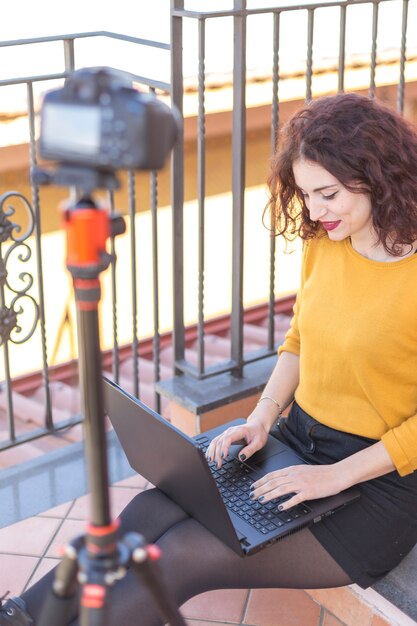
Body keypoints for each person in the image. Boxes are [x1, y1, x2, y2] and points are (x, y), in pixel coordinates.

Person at [2, 91, 417, 626]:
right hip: (297, 441)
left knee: (179, 556)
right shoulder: (330, 241)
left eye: (328, 193)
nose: (314, 212)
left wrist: (334, 477)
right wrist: (262, 417)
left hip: (374, 483)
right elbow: (299, 341)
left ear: (376, 173)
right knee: (149, 510)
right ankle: (18, 617)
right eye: (306, 194)